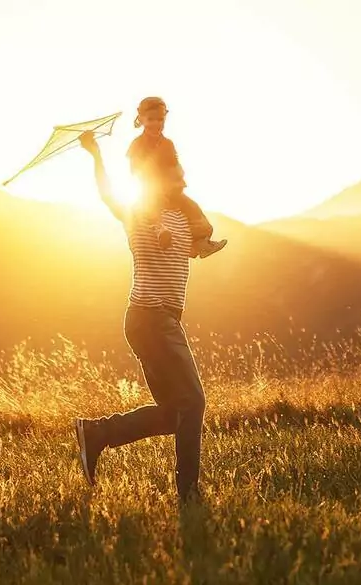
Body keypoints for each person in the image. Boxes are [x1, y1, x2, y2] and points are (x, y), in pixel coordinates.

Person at [73, 125, 207, 504]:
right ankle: (189, 493)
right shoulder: (139, 217)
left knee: (174, 413)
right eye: (175, 174)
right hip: (151, 318)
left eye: (182, 173)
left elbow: (194, 245)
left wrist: (203, 245)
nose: (183, 179)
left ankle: (97, 433)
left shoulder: (183, 216)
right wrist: (96, 155)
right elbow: (107, 194)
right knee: (193, 403)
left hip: (158, 320)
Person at [128, 96, 226, 258]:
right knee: (151, 203)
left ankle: (200, 242)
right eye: (151, 119)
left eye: (160, 119)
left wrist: (178, 176)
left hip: (172, 188)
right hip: (152, 188)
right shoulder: (138, 144)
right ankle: (160, 229)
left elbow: (174, 164)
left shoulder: (167, 143)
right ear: (142, 118)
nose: (156, 123)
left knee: (195, 210)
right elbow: (135, 169)